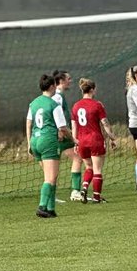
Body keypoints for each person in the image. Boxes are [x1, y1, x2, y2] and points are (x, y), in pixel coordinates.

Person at [28, 73, 72, 218]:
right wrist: (74, 140)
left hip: (35, 141)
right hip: (48, 141)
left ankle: (50, 208)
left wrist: (29, 143)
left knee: (51, 175)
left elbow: (28, 123)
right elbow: (63, 127)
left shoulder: (33, 103)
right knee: (50, 178)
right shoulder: (53, 104)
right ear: (53, 86)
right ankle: (42, 206)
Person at [71, 77, 118, 202]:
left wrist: (75, 141)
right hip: (95, 140)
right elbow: (105, 123)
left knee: (88, 167)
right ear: (92, 89)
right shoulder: (97, 105)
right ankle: (97, 197)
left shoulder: (75, 106)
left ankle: (84, 188)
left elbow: (74, 125)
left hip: (81, 141)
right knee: (97, 169)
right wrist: (112, 137)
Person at [51, 70, 84, 200]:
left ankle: (51, 195)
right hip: (60, 133)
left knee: (54, 164)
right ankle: (75, 191)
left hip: (57, 133)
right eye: (68, 78)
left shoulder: (58, 95)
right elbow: (54, 114)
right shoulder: (57, 97)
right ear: (61, 81)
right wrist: (60, 130)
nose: (70, 81)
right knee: (77, 158)